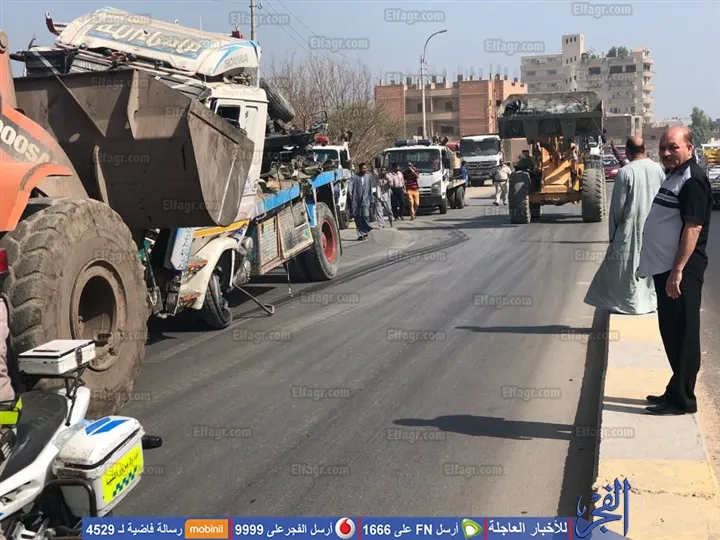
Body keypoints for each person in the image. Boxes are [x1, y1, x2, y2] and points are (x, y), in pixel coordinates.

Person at [638, 127, 712, 415]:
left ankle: (683, 400)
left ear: (690, 148)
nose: (666, 153)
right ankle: (674, 389)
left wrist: (677, 270)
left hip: (681, 271)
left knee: (683, 334)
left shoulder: (693, 180)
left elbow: (693, 228)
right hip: (666, 269)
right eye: (663, 148)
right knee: (671, 332)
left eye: (673, 147)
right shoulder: (675, 175)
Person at [583, 136, 665, 315]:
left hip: (630, 229)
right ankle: (649, 303)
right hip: (654, 229)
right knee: (650, 268)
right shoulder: (658, 169)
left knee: (627, 269)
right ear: (644, 149)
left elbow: (617, 208)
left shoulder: (626, 172)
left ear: (627, 152)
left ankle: (631, 305)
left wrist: (613, 235)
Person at [348, 162, 374, 241]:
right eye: (363, 168)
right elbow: (350, 184)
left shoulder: (368, 177)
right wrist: (350, 192)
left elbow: (370, 188)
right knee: (358, 217)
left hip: (366, 199)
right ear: (359, 169)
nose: (364, 170)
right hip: (356, 200)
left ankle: (366, 230)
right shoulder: (354, 177)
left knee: (365, 215)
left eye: (365, 168)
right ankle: (361, 234)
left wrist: (371, 198)